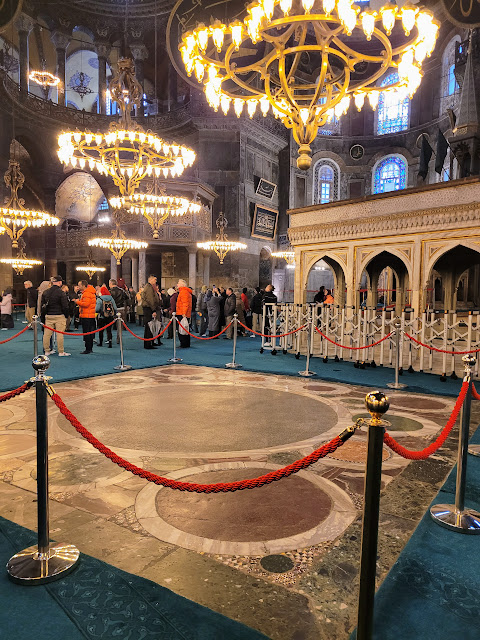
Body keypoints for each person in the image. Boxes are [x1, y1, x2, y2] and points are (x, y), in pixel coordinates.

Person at [41, 276, 70, 356]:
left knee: (47, 334)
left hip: (49, 315)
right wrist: (66, 315)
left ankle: (47, 351)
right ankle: (61, 351)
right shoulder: (61, 293)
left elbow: (42, 305)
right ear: (60, 282)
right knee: (60, 334)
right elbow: (65, 306)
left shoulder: (46, 292)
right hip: (59, 315)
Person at [74, 280, 97, 354]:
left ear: (84, 286)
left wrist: (77, 302)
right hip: (90, 315)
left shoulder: (87, 293)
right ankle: (90, 348)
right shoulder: (90, 292)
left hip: (87, 315)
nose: (78, 287)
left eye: (79, 285)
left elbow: (86, 304)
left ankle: (88, 349)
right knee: (90, 332)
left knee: (87, 332)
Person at [141, 275, 162, 349]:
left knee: (150, 326)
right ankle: (148, 344)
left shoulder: (149, 287)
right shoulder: (149, 288)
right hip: (149, 309)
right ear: (151, 280)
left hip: (149, 308)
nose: (156, 281)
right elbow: (151, 300)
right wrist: (153, 310)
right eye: (155, 280)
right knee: (149, 327)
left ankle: (150, 342)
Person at [109, 279, 127, 344]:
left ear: (111, 284)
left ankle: (109, 339)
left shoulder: (110, 291)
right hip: (121, 309)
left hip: (112, 309)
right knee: (120, 326)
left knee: (109, 325)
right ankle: (119, 339)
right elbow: (127, 297)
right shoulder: (122, 291)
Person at [176, 279, 193, 348]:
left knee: (182, 330)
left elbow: (185, 303)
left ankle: (183, 344)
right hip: (184, 313)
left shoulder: (183, 292)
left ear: (182, 285)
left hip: (182, 313)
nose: (177, 284)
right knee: (185, 329)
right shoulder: (186, 292)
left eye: (178, 283)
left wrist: (184, 313)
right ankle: (186, 343)